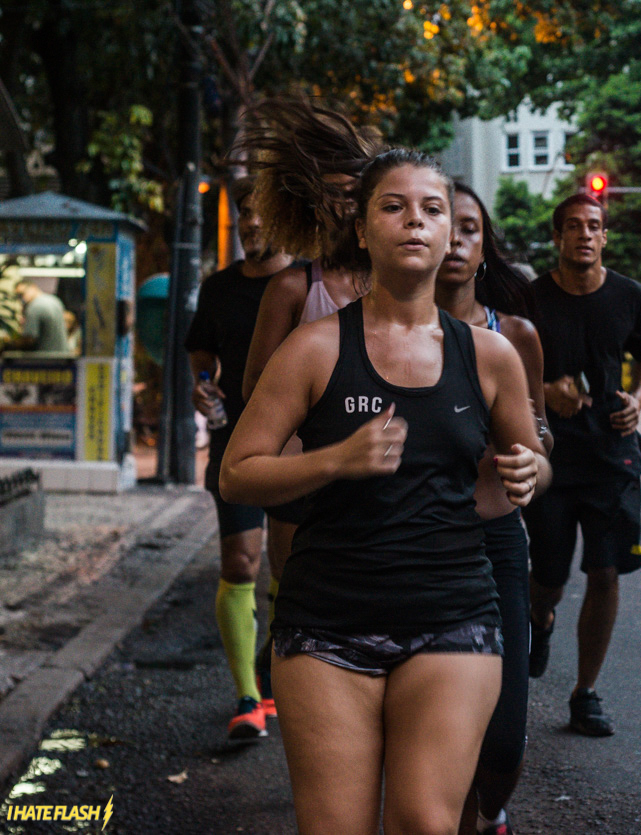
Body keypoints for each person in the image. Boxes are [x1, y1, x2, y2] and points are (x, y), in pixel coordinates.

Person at [219, 150, 550, 835]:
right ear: (363, 231)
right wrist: (336, 459)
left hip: (453, 611)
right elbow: (238, 470)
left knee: (427, 823)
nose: (417, 222)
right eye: (393, 207)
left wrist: (528, 473)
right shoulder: (314, 349)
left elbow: (535, 462)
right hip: (327, 623)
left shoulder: (490, 355)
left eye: (433, 210)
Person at [235, 96, 377, 713]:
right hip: (301, 473)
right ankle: (295, 694)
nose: (345, 204)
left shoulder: (397, 282)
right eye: (334, 193)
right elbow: (253, 391)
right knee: (297, 593)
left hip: (381, 469)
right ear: (311, 203)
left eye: (356, 191)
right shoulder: (295, 287)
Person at [435, 183, 549, 835]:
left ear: (485, 247)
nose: (455, 238)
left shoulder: (516, 337)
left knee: (503, 742)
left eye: (469, 228)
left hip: (498, 541)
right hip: (414, 545)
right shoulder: (381, 337)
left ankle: (490, 809)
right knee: (443, 733)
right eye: (443, 224)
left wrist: (534, 458)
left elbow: (540, 442)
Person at [525, 194, 641, 737]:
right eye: (574, 227)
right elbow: (498, 362)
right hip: (552, 457)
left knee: (606, 571)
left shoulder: (630, 296)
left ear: (605, 237)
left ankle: (585, 692)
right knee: (549, 579)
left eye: (595, 226)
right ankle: (541, 618)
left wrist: (640, 397)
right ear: (558, 238)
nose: (585, 234)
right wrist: (541, 391)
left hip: (613, 452)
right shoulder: (529, 299)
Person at [183, 177, 293, 740]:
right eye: (243, 214)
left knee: (290, 566)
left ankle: (275, 677)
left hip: (299, 443)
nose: (250, 224)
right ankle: (248, 696)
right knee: (240, 562)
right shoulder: (219, 288)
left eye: (259, 213)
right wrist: (204, 385)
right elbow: (201, 351)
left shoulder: (305, 283)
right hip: (238, 440)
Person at [9, 278, 69, 353]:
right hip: (62, 355)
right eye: (18, 296)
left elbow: (29, 339)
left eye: (22, 294)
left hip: (44, 358)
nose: (21, 299)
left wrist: (11, 344)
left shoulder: (34, 307)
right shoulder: (55, 301)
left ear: (33, 287)